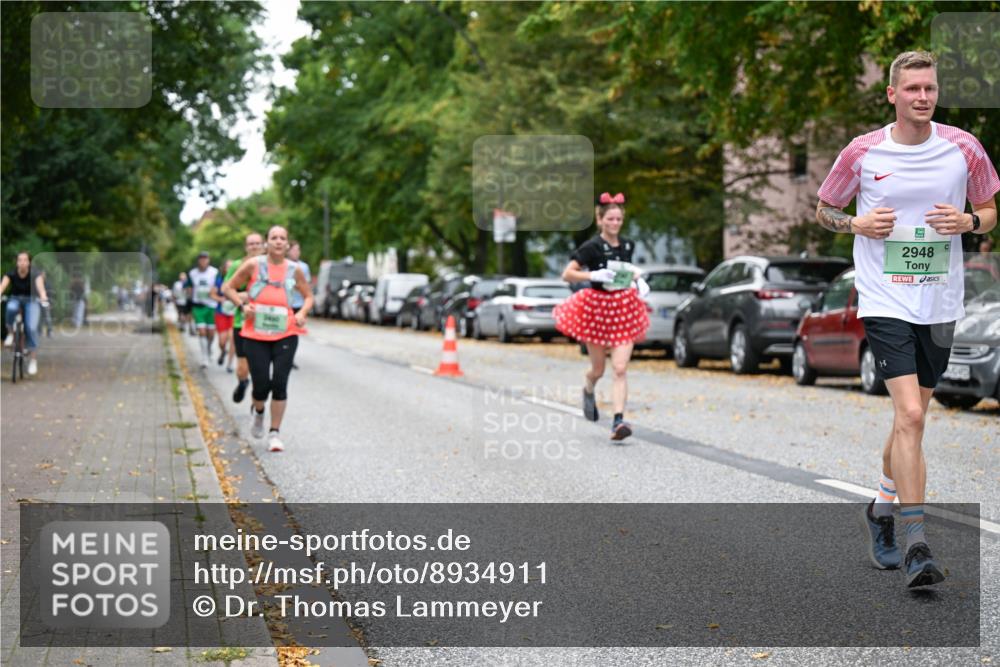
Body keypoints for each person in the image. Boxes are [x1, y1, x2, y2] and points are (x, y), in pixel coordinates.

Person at [815, 51, 998, 589]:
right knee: (912, 415)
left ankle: (880, 507)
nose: (923, 96)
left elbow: (991, 210)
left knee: (908, 421)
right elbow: (825, 209)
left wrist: (968, 220)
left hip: (940, 303)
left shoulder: (963, 147)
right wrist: (856, 224)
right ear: (892, 94)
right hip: (885, 298)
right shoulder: (863, 151)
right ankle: (917, 544)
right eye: (913, 88)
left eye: (930, 88)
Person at [554, 192, 650, 442]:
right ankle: (589, 387)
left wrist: (638, 280)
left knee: (620, 368)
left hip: (623, 309)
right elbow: (567, 274)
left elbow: (625, 270)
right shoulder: (591, 247)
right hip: (597, 310)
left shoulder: (628, 245)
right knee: (599, 368)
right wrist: (593, 276)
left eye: (618, 219)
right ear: (600, 219)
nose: (615, 223)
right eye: (610, 219)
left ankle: (618, 421)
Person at [222, 226, 312, 453]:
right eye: (274, 238)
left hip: (286, 332)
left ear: (287, 244)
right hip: (255, 334)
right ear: (267, 243)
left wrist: (302, 313)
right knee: (261, 384)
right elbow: (228, 288)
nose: (278, 241)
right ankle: (259, 412)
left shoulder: (294, 269)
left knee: (280, 382)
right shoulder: (254, 265)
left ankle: (274, 433)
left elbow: (308, 296)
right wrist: (243, 306)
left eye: (283, 238)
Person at [225, 232, 265, 403]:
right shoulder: (237, 265)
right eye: (251, 244)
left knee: (260, 368)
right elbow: (227, 289)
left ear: (263, 245)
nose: (254, 247)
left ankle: (258, 400)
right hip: (241, 322)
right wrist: (244, 297)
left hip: (264, 323)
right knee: (242, 368)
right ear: (246, 247)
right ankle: (243, 382)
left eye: (257, 243)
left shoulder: (270, 264)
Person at [1, 251, 51, 376]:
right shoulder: (11, 273)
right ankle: (10, 333)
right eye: (20, 260)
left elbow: (41, 289)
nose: (22, 262)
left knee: (31, 328)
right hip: (15, 299)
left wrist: (43, 297)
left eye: (25, 260)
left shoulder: (35, 274)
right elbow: (2, 286)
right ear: (17, 262)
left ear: (29, 262)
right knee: (10, 308)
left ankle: (33, 359)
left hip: (31, 300)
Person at [188, 252, 219, 368]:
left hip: (211, 305)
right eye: (201, 259)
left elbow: (219, 285)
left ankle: (209, 348)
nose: (203, 261)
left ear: (209, 260)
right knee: (201, 331)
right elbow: (189, 287)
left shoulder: (214, 272)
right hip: (198, 306)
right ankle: (204, 357)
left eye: (205, 259)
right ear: (198, 261)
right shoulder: (192, 273)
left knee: (211, 333)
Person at [287, 240, 310, 370]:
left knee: (294, 332)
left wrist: (297, 285)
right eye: (294, 249)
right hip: (286, 303)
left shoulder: (304, 267)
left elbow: (306, 285)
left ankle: (290, 358)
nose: (296, 252)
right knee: (284, 331)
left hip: (298, 304)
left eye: (298, 249)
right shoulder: (284, 265)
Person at [211, 259, 236, 372]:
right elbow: (212, 294)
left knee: (232, 338)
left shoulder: (239, 279)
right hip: (221, 312)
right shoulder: (219, 280)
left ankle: (230, 364)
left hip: (234, 313)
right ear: (224, 268)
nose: (230, 269)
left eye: (232, 266)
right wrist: (220, 299)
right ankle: (223, 351)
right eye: (228, 267)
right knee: (222, 340)